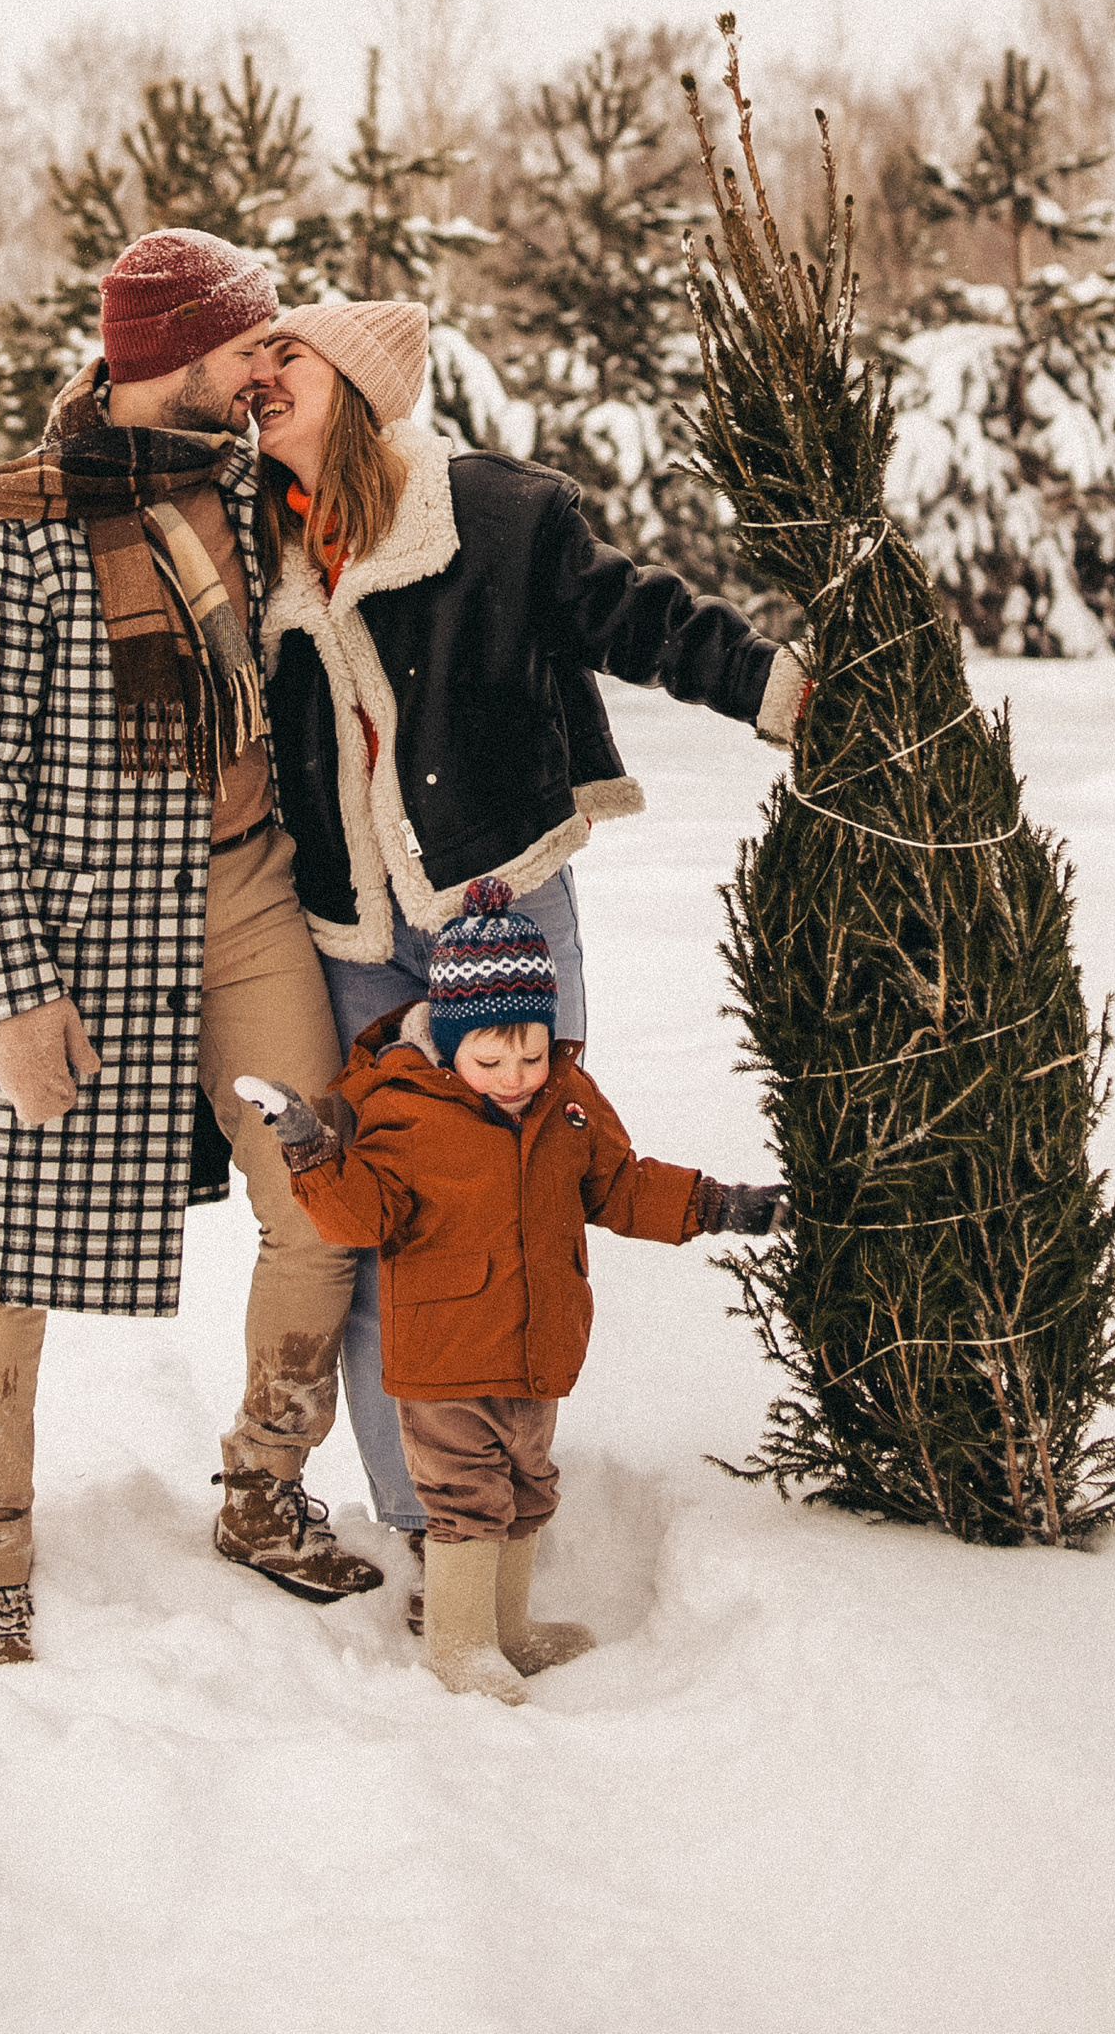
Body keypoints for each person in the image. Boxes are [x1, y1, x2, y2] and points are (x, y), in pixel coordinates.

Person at [0, 226, 382, 1684]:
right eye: (245, 349)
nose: (261, 372)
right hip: (79, 932)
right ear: (169, 353)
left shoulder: (242, 496)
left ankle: (262, 1486)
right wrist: (17, 994)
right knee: (12, 1243)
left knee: (320, 1196)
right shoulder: (11, 536)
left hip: (246, 900)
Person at [249, 294, 806, 1586]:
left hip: (497, 908)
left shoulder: (493, 515)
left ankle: (505, 1502)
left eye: (287, 356)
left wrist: (778, 691)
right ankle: (430, 1533)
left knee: (509, 1204)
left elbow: (637, 619)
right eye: (252, 361)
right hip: (355, 940)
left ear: (355, 381)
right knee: (390, 1229)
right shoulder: (253, 540)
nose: (258, 378)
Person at [239, 877, 787, 1699]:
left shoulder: (566, 1101)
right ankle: (461, 1648)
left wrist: (716, 1205)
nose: (515, 1075)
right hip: (445, 1357)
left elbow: (621, 1185)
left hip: (538, 1346)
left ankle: (511, 1633)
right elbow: (361, 1216)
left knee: (527, 1488)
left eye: (532, 1053)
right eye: (491, 1060)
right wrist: (312, 1150)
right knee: (464, 1500)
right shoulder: (405, 1110)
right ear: (451, 1047)